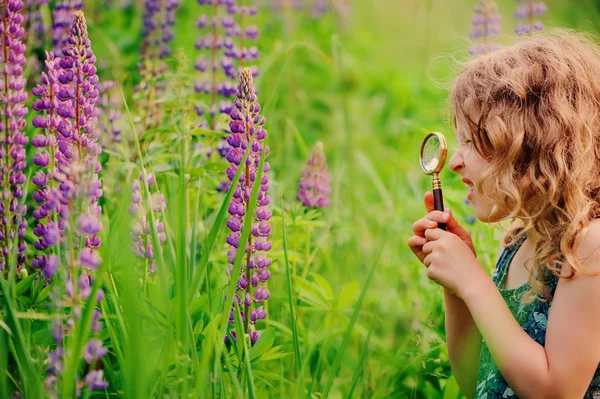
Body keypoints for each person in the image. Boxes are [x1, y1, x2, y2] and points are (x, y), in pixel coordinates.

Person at [407, 29, 600, 399]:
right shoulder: (518, 241)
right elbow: (476, 381)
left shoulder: (589, 246)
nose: (456, 161)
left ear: (532, 146)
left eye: (472, 141)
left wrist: (473, 282)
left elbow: (555, 392)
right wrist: (458, 290)